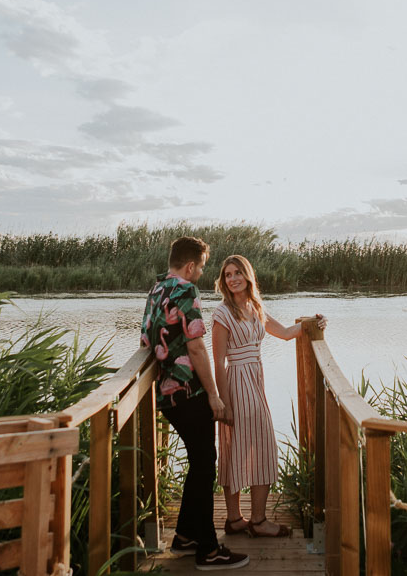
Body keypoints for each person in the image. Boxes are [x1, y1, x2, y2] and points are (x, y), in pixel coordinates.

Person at [141, 237, 249, 570]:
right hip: (189, 393)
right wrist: (215, 395)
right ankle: (208, 550)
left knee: (199, 463)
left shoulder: (156, 290)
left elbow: (146, 340)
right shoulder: (186, 291)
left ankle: (185, 537)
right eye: (201, 267)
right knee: (205, 466)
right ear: (190, 266)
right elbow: (197, 347)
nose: (201, 273)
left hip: (166, 395)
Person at [212, 254, 327, 537]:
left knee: (251, 447)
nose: (233, 278)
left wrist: (313, 322)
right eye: (228, 275)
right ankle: (249, 520)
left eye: (238, 272)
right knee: (242, 447)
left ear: (248, 275)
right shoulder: (222, 313)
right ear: (223, 281)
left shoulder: (255, 307)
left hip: (256, 380)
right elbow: (217, 362)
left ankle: (243, 520)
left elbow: (287, 333)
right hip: (237, 383)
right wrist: (223, 402)